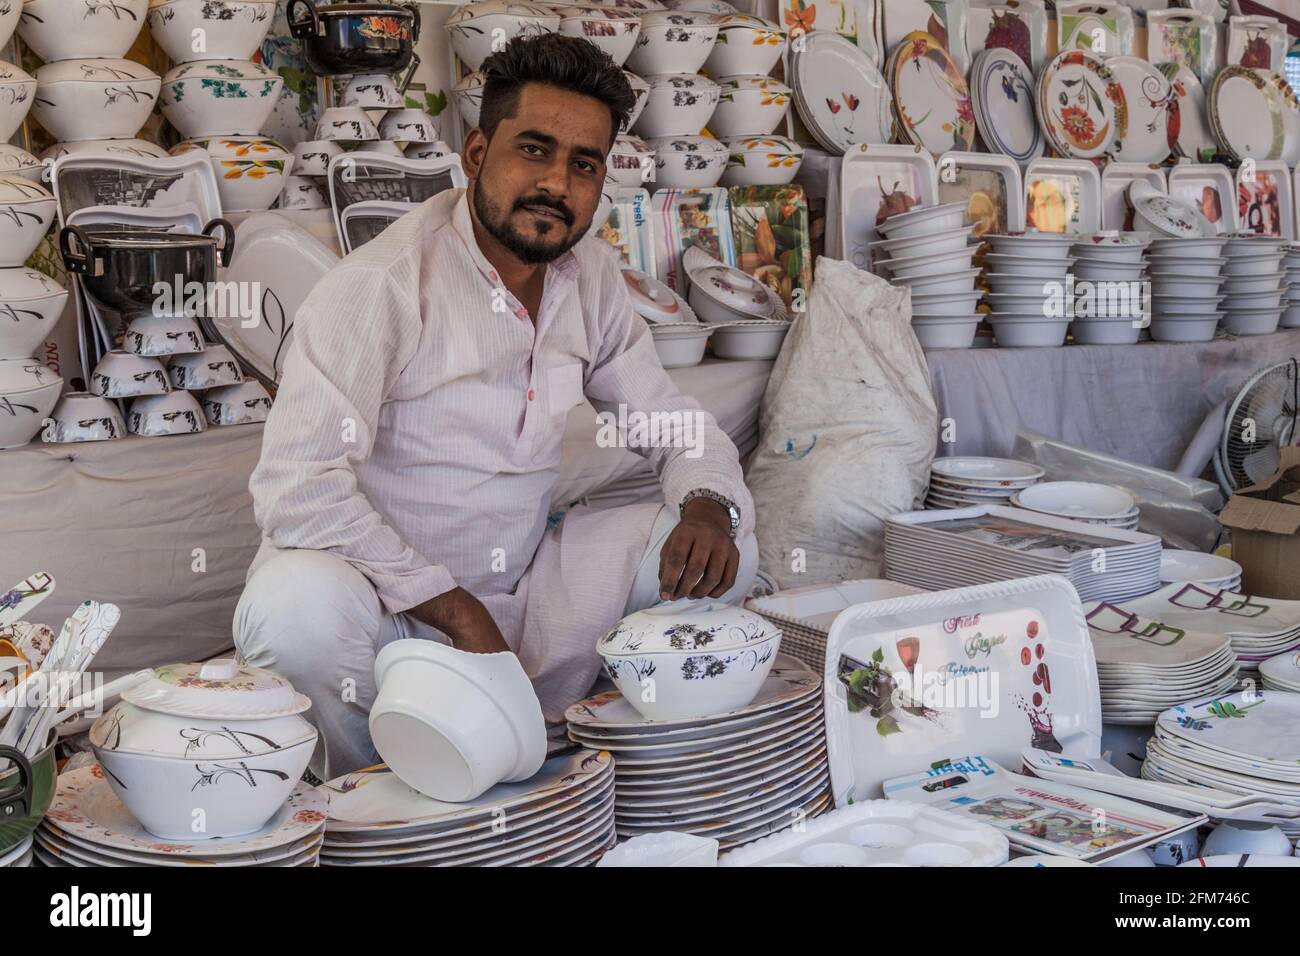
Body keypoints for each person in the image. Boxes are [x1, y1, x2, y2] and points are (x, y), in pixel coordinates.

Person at [234, 34, 758, 779]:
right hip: (386, 608)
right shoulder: (382, 284)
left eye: (584, 164)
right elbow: (296, 489)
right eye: (534, 150)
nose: (556, 184)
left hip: (525, 596)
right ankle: (376, 793)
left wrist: (707, 504)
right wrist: (451, 608)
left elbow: (669, 421)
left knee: (723, 545)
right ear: (477, 153)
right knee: (295, 610)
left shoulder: (592, 279)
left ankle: (584, 753)